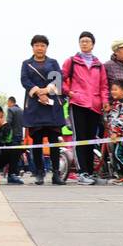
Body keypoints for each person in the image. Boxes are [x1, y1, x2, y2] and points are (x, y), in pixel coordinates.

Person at [61, 31, 109, 186]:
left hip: (94, 106)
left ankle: (90, 172)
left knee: (90, 140)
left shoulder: (98, 64)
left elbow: (104, 86)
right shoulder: (72, 61)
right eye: (82, 41)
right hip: (77, 104)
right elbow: (59, 79)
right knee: (80, 139)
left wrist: (105, 101)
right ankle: (82, 173)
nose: (84, 43)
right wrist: (70, 93)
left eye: (87, 41)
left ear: (93, 44)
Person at [21, 35, 66, 185]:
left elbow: (58, 79)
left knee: (54, 141)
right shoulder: (26, 64)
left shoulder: (53, 63)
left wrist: (46, 91)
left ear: (46, 47)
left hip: (51, 105)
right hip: (35, 106)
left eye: (42, 45)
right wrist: (38, 92)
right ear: (32, 47)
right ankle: (39, 173)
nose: (40, 48)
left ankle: (56, 174)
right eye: (37, 45)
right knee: (37, 141)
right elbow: (24, 80)